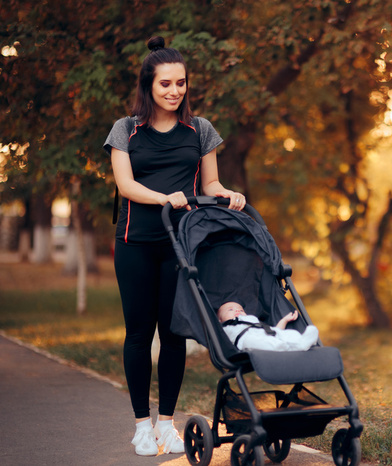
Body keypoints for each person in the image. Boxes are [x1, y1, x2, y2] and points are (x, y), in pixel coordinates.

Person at [103, 36, 246, 457]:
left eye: (180, 83)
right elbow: (126, 185)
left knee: (174, 333)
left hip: (180, 245)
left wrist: (228, 195)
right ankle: (141, 426)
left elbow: (210, 183)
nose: (174, 91)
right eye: (165, 83)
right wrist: (164, 197)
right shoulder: (125, 129)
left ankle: (167, 423)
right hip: (134, 242)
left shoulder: (199, 130)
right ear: (148, 85)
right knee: (138, 333)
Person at [217, 301, 319, 352]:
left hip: (266, 333)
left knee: (288, 333)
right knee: (253, 341)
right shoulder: (224, 328)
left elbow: (275, 330)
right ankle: (284, 346)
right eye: (230, 310)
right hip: (247, 341)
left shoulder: (252, 320)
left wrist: (284, 320)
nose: (237, 311)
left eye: (241, 310)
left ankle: (301, 342)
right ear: (220, 320)